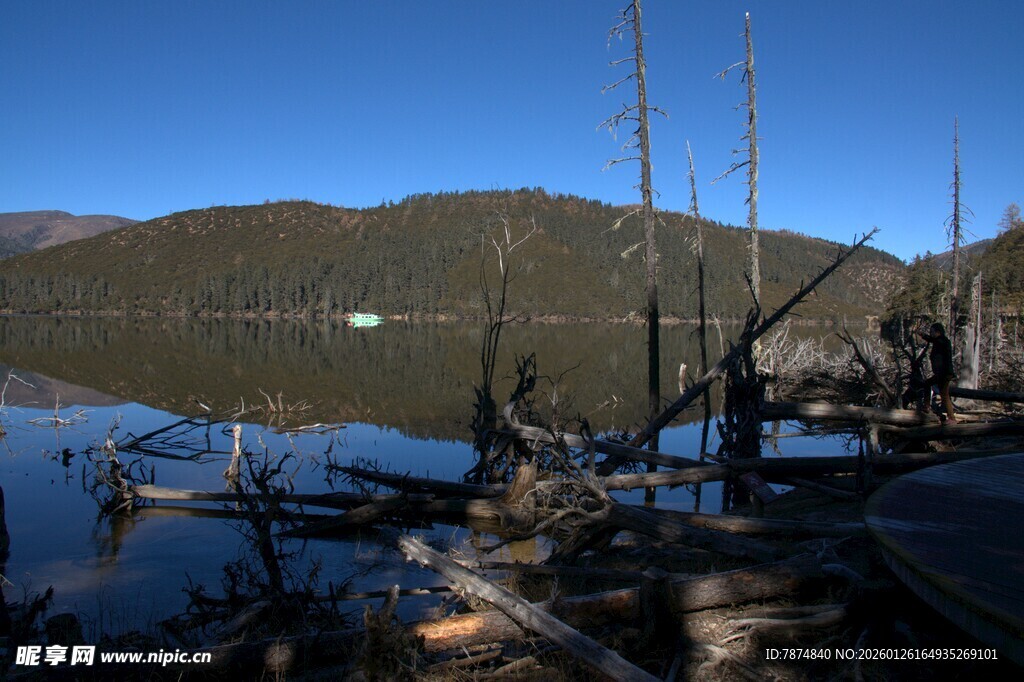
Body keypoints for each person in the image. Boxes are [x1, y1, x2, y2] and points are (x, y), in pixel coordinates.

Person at [917, 322, 958, 424]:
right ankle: (928, 407)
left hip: (944, 373)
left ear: (938, 332)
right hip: (942, 373)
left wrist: (924, 336)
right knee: (941, 392)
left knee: (943, 394)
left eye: (932, 332)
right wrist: (923, 335)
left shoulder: (943, 341)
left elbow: (934, 340)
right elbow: (932, 340)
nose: (931, 333)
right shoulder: (939, 341)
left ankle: (951, 418)